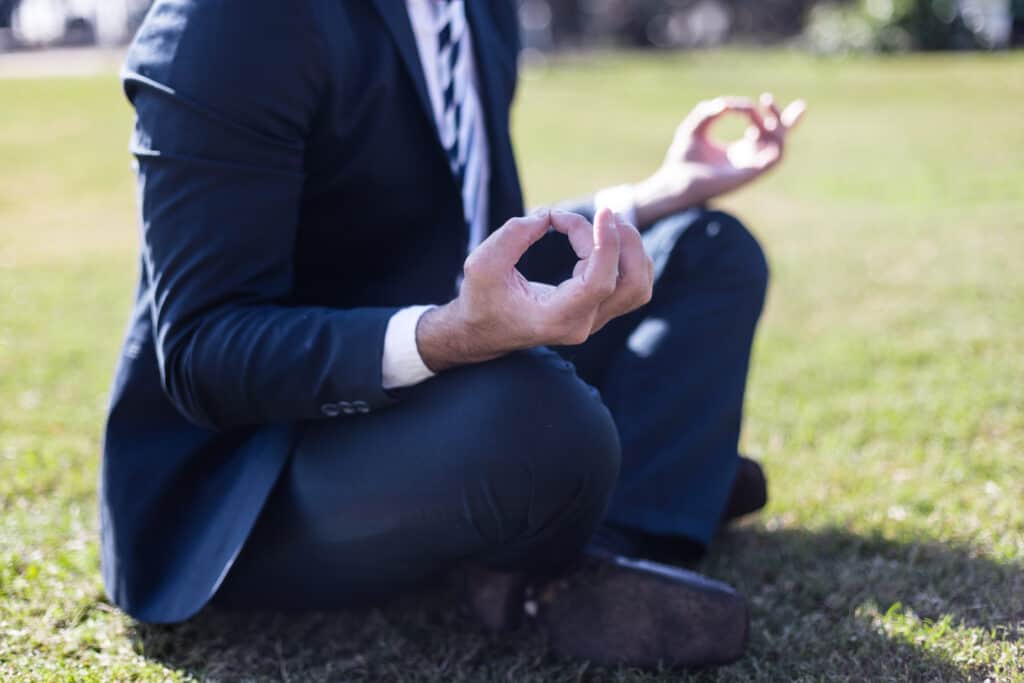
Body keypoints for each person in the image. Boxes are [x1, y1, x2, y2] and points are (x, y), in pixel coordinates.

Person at [101, 0, 804, 669]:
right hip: (253, 466)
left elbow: (469, 241)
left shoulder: (476, 11)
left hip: (433, 378)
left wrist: (654, 193)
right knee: (538, 419)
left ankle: (599, 548)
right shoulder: (233, 21)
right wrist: (447, 337)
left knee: (709, 249)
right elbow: (204, 351)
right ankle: (641, 475)